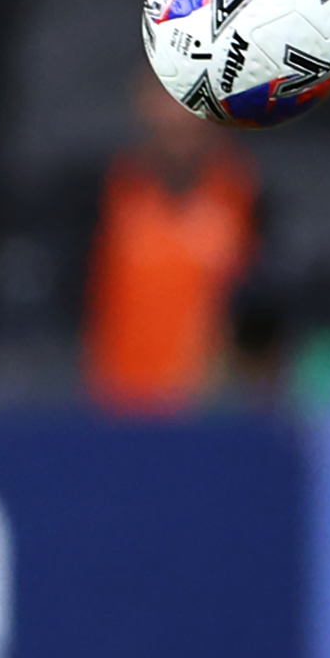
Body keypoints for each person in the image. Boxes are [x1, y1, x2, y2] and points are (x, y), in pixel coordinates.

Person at [82, 65, 259, 415]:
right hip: (116, 403)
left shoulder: (242, 192)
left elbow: (254, 311)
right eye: (165, 95)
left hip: (205, 411)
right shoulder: (110, 190)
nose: (176, 114)